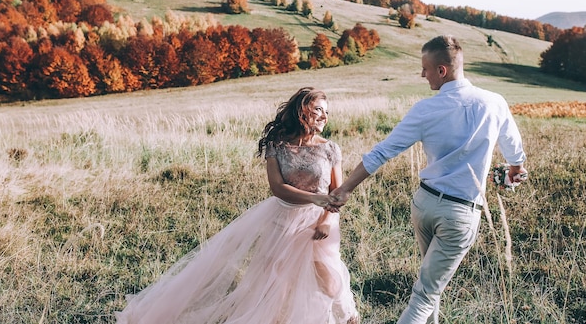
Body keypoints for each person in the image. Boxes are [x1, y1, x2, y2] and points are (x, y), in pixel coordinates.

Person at [115, 87, 359, 324]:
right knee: (275, 279)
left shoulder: (329, 148)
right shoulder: (278, 145)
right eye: (319, 109)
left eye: (327, 111)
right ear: (302, 111)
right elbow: (277, 187)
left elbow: (336, 194)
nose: (325, 116)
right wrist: (313, 198)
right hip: (282, 217)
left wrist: (326, 219)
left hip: (318, 222)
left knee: (328, 278)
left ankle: (348, 315)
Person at [328, 35, 527, 324]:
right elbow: (514, 150)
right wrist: (514, 169)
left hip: (425, 205)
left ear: (442, 71)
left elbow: (381, 153)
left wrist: (346, 188)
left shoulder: (425, 110)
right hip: (460, 213)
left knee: (429, 286)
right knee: (426, 292)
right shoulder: (494, 103)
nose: (423, 74)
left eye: (425, 69)